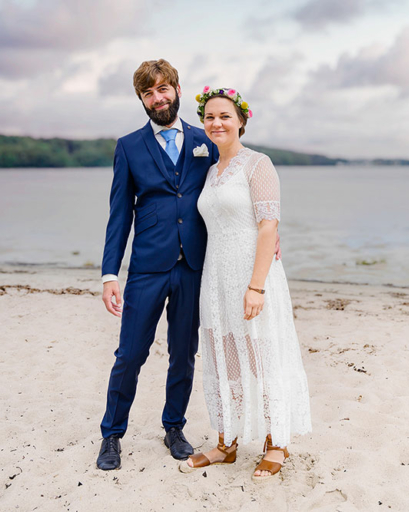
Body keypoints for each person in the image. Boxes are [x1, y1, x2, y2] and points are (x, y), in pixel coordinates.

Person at [179, 87, 311, 482]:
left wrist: (256, 287)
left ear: (241, 121)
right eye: (210, 117)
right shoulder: (210, 170)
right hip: (216, 275)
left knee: (261, 356)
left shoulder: (259, 165)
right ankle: (228, 442)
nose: (216, 123)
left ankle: (276, 443)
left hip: (253, 275)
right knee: (225, 358)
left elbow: (268, 225)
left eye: (224, 116)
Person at [96, 59, 221, 470]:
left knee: (184, 354)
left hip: (193, 265)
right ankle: (112, 435)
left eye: (163, 89)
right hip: (148, 265)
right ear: (142, 100)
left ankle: (174, 427)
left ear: (178, 90)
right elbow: (119, 214)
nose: (157, 98)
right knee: (130, 353)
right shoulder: (129, 147)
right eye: (148, 93)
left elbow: (229, 197)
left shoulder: (208, 141)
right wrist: (110, 272)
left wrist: (268, 236)